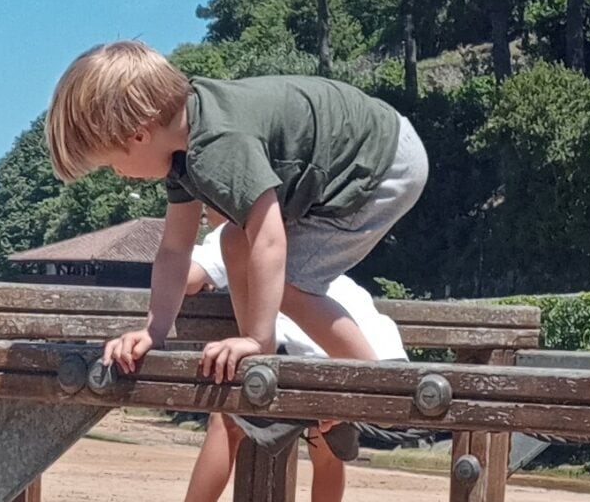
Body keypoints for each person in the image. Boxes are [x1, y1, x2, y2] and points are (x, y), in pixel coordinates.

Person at [43, 42, 428, 392]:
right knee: (232, 240)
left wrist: (255, 339)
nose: (119, 174)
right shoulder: (184, 145)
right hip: (365, 149)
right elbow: (175, 249)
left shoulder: (218, 146)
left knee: (291, 286)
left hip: (382, 163)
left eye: (113, 163)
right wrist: (154, 330)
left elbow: (269, 239)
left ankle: (380, 392)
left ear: (139, 135)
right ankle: (264, 361)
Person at [114, 217, 407, 502]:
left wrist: (199, 268)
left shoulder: (239, 232)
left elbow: (186, 278)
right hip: (378, 358)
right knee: (325, 444)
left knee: (227, 418)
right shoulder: (302, 232)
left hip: (324, 359)